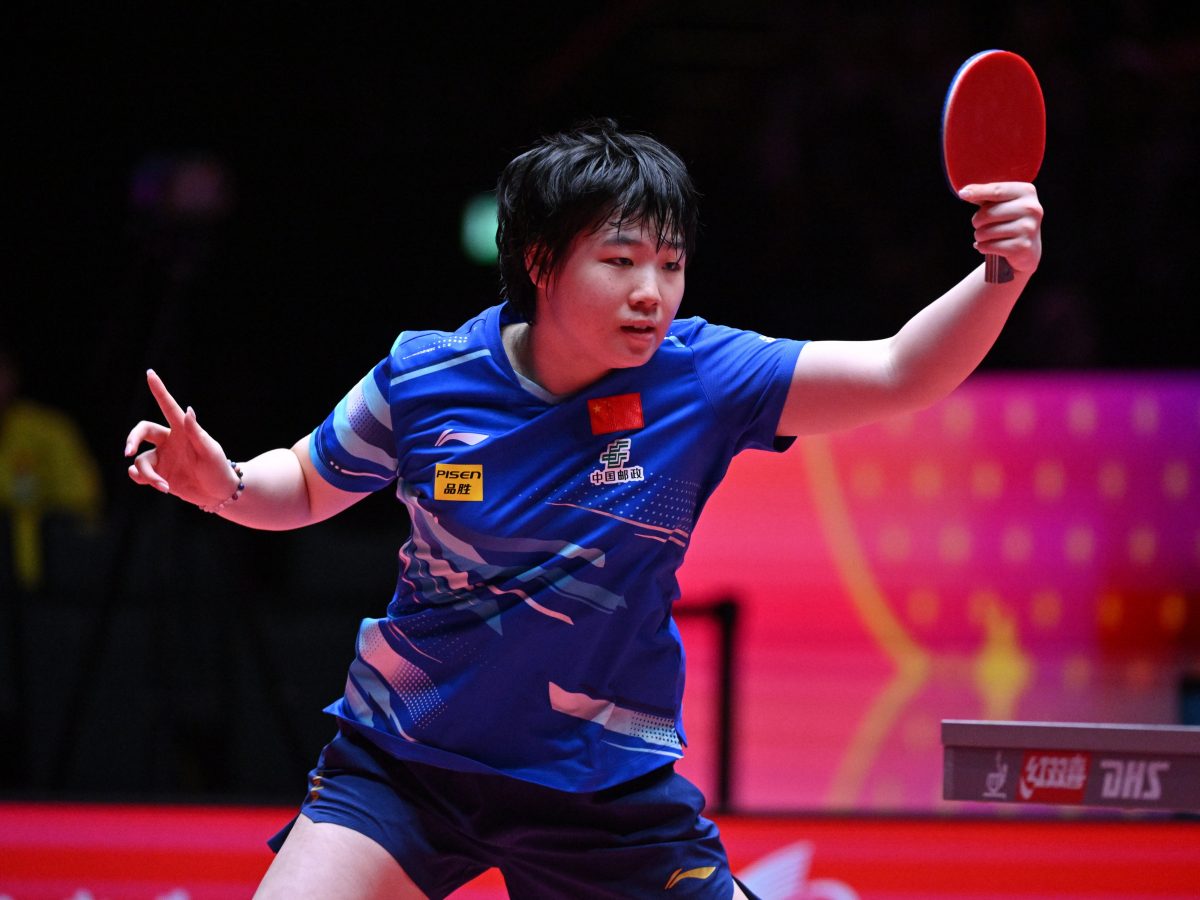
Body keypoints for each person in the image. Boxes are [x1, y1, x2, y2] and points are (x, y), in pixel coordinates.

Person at [124, 118, 1042, 899]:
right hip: (409, 762)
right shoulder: (429, 378)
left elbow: (898, 370)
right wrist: (224, 485)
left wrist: (1001, 272)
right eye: (621, 260)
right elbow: (306, 483)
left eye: (671, 264)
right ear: (540, 261)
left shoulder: (702, 377)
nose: (653, 291)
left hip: (600, 789)